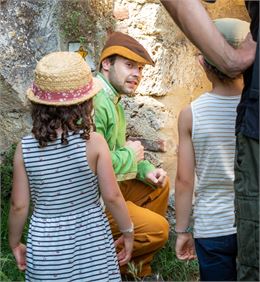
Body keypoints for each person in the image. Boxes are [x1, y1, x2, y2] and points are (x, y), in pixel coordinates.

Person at [8, 51, 134, 282]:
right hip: (92, 241)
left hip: (46, 246)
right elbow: (113, 197)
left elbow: (18, 206)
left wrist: (14, 242)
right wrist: (128, 232)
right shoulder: (94, 143)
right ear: (86, 101)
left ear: (38, 104)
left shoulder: (24, 149)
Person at [160, 0, 259, 280]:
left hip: (212, 228)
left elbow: (184, 180)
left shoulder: (191, 114)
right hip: (251, 225)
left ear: (203, 62)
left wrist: (182, 231)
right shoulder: (254, 111)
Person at [93, 31, 170, 278]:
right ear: (107, 63)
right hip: (96, 200)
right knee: (159, 230)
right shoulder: (95, 100)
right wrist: (130, 152)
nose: (137, 74)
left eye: (140, 69)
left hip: (112, 186)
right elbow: (94, 165)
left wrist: (146, 169)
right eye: (129, 65)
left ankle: (138, 269)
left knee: (159, 185)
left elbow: (116, 153)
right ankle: (114, 267)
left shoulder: (113, 99)